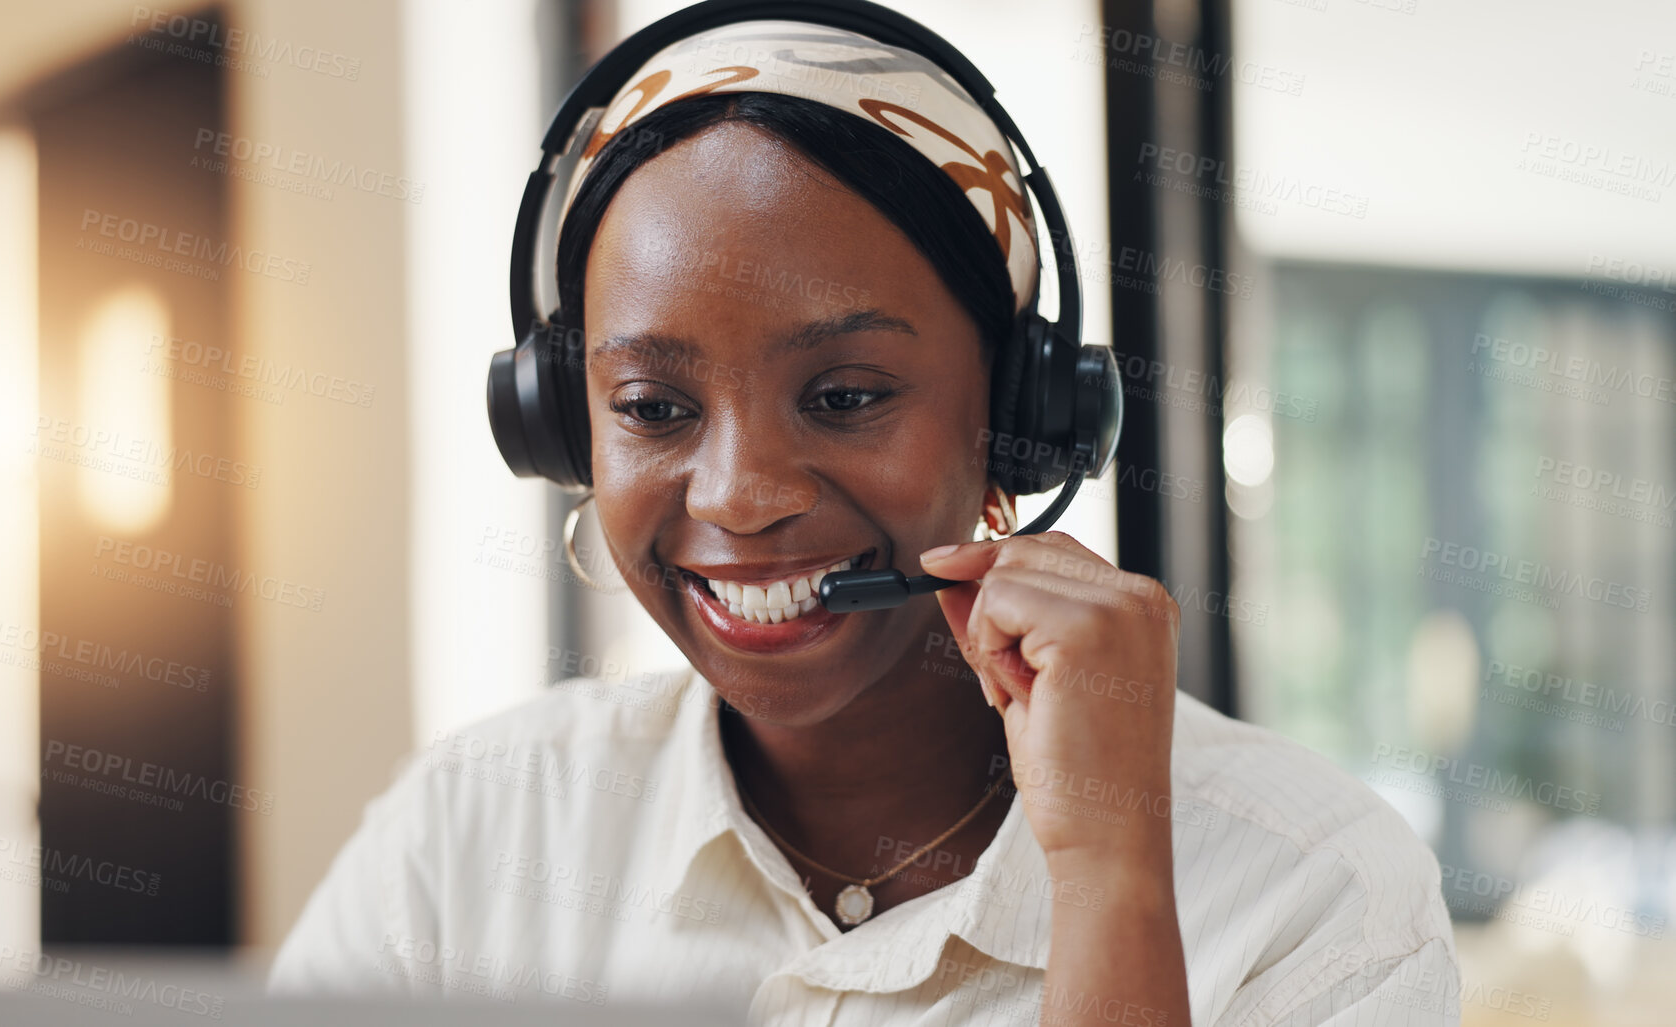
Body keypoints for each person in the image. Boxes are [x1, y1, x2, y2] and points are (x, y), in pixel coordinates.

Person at [269, 11, 1457, 1024]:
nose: (739, 492)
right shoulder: (471, 833)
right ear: (566, 431)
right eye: (654, 405)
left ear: (1016, 416)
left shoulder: (1316, 885)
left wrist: (1113, 881)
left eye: (845, 396)